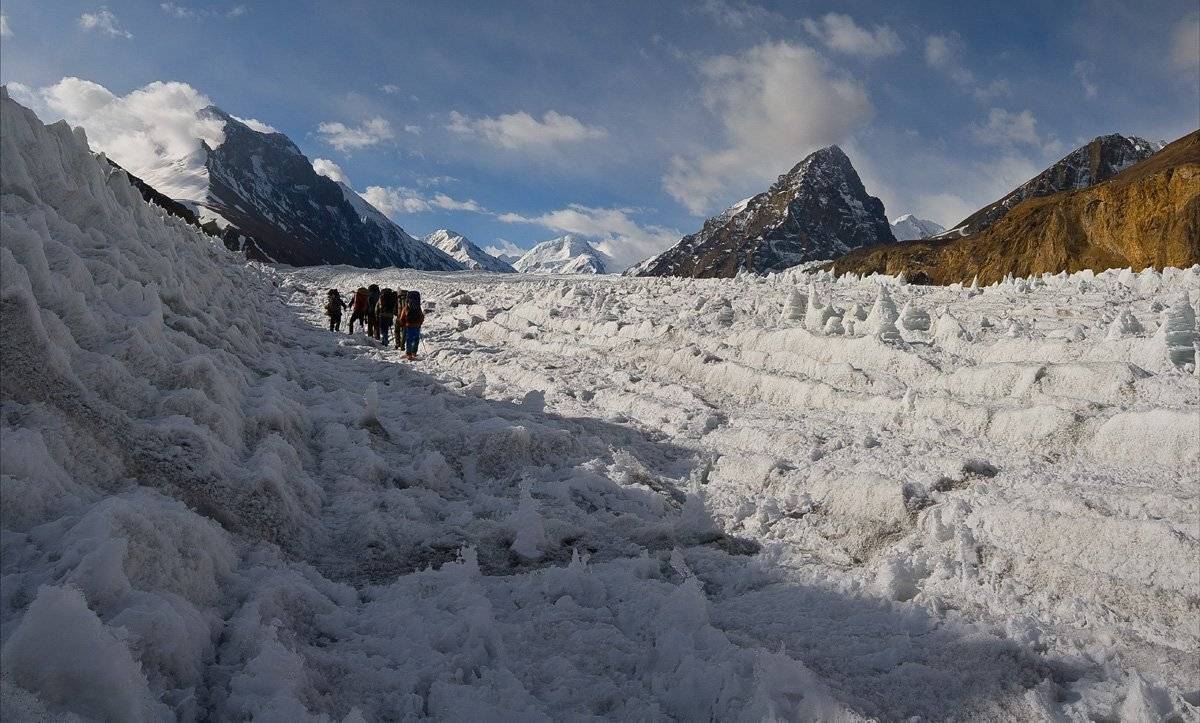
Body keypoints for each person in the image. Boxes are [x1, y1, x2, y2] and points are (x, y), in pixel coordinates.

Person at [398, 290, 425, 360]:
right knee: (416, 339)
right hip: (417, 326)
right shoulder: (418, 308)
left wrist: (402, 324)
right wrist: (419, 323)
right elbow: (422, 316)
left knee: (409, 340)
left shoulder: (406, 307)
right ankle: (414, 353)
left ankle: (409, 354)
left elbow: (402, 317)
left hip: (409, 326)